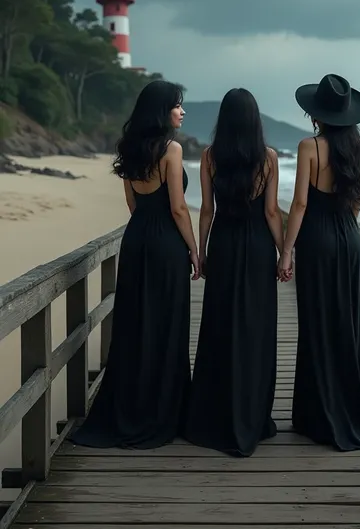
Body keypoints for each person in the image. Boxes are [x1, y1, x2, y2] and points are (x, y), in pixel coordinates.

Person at [71, 80, 199, 449]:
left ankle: (129, 406)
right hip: (166, 246)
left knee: (134, 323)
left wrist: (146, 227)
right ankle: (163, 410)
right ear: (163, 110)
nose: (182, 111)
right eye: (178, 105)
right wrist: (193, 249)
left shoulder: (129, 148)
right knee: (167, 325)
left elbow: (132, 203)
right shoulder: (171, 150)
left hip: (138, 238)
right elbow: (177, 208)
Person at [278, 74, 360, 451]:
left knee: (317, 323)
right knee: (348, 322)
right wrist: (345, 232)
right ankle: (351, 407)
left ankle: (318, 414)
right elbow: (356, 203)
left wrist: (286, 250)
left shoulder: (309, 147)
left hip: (317, 240)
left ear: (317, 115)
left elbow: (299, 204)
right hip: (348, 238)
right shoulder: (358, 150)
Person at [184, 88, 283, 456]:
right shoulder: (269, 158)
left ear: (223, 119)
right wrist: (284, 253)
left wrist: (202, 251)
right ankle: (254, 416)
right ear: (255, 120)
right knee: (256, 329)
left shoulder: (210, 156)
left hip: (224, 244)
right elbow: (272, 212)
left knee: (220, 325)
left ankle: (216, 414)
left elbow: (206, 209)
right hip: (257, 247)